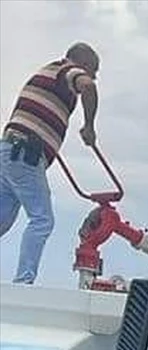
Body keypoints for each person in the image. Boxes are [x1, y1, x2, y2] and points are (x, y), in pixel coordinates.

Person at [0, 44, 101, 284]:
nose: (94, 75)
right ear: (83, 62)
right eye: (94, 69)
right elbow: (88, 86)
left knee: (2, 219)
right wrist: (89, 126)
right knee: (42, 219)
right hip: (25, 152)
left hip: (9, 150)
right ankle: (23, 283)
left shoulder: (46, 71)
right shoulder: (68, 71)